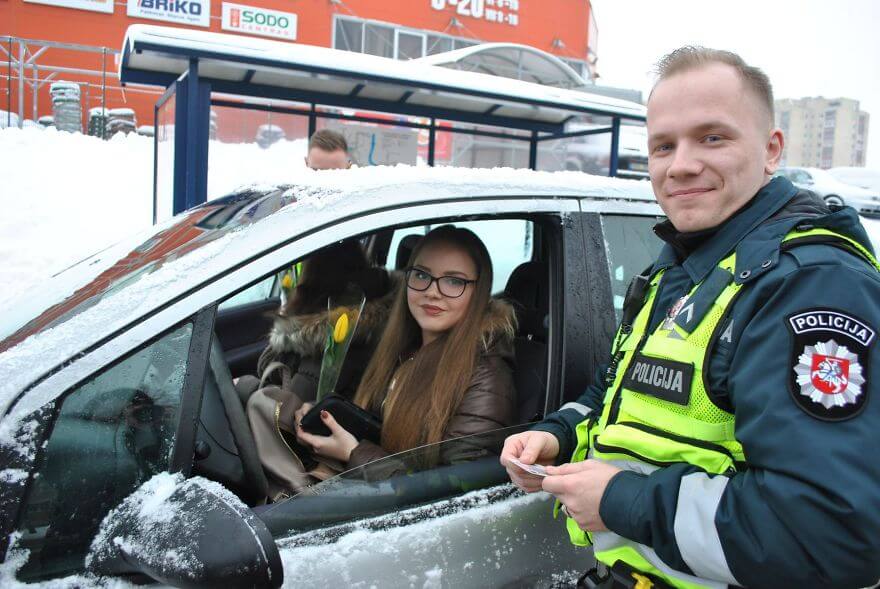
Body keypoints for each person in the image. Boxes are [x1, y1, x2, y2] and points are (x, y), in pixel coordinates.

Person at [501, 46, 880, 589]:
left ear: (772, 150)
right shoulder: (685, 264)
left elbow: (828, 535)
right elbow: (622, 392)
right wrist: (558, 433)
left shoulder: (808, 285)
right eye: (663, 145)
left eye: (712, 137)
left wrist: (620, 501)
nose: (680, 164)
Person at [294, 225, 517, 473]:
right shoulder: (401, 346)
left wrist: (353, 453)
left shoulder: (486, 378)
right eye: (421, 275)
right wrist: (327, 421)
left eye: (454, 281)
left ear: (478, 292)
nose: (432, 292)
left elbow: (453, 495)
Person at [244, 240, 395, 496]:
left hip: (314, 471)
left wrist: (246, 388)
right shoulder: (358, 325)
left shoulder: (331, 343)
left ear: (309, 279)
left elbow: (290, 418)